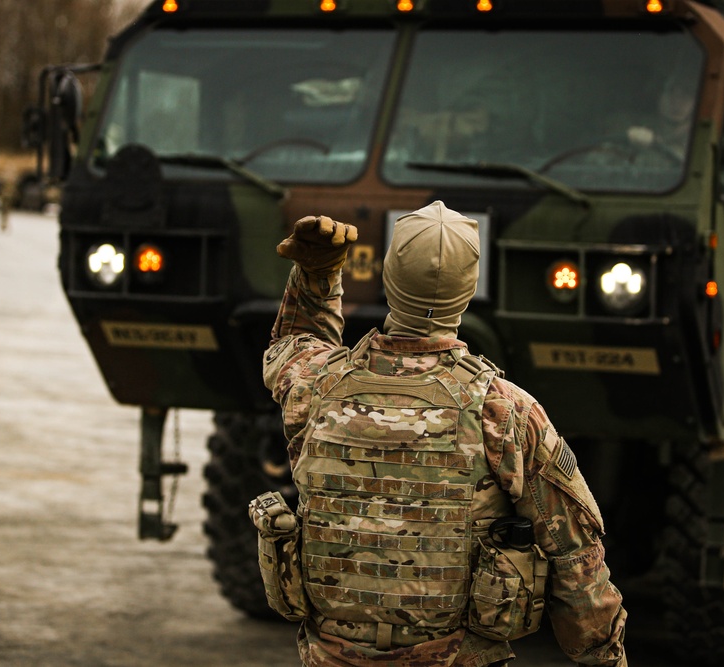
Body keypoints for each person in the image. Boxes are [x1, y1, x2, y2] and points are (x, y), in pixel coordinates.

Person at [257, 201, 627, 667]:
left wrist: (318, 275)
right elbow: (576, 559)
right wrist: (605, 658)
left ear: (389, 279)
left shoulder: (313, 384)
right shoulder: (504, 409)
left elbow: (293, 343)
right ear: (469, 290)